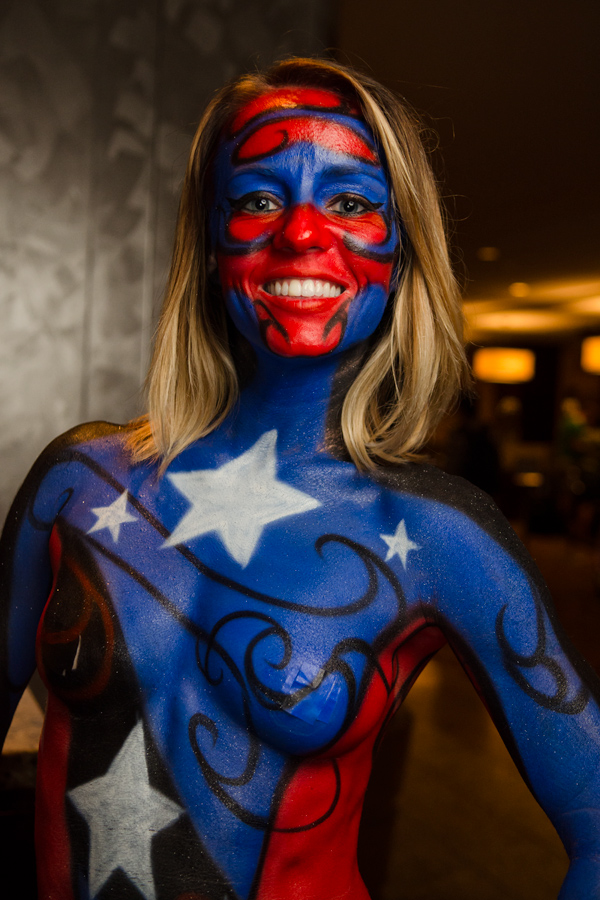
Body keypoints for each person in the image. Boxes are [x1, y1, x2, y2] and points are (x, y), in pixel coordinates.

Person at [1, 57, 599, 900]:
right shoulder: (78, 482)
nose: (304, 236)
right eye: (257, 198)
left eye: (351, 202)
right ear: (211, 246)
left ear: (401, 253)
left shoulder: (437, 535)